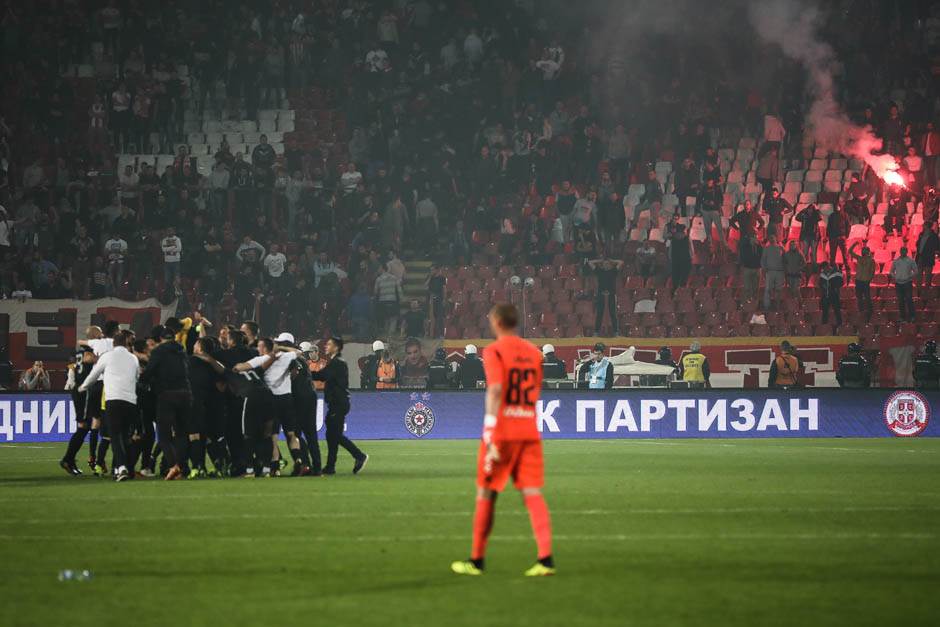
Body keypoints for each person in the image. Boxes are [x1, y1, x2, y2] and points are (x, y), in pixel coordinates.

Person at [451, 303, 554, 577]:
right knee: (532, 492)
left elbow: (495, 390)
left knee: (486, 492)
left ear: (496, 321)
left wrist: (489, 429)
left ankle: (477, 560)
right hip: (529, 430)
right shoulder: (534, 353)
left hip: (503, 432)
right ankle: (545, 559)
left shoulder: (494, 351)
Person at [77, 330, 139, 482]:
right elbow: (137, 376)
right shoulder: (133, 358)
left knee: (115, 436)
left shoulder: (107, 356)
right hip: (131, 401)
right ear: (126, 343)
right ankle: (122, 469)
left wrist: (83, 387)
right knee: (126, 437)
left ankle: (122, 467)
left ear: (113, 343)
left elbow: (94, 374)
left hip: (113, 400)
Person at [309, 337, 368, 475]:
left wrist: (305, 373)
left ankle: (359, 455)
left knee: (334, 434)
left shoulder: (337, 363)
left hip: (338, 403)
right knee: (332, 434)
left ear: (336, 347)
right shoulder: (336, 362)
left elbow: (322, 375)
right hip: (338, 403)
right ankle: (331, 466)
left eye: (329, 344)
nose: (326, 346)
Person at [140, 326, 192, 481]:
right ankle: (182, 468)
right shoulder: (181, 350)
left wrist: (142, 380)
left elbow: (149, 372)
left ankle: (173, 465)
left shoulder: (158, 351)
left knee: (164, 434)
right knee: (182, 433)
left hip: (167, 394)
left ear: (160, 338)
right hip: (186, 393)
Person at [60, 346, 96, 475]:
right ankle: (67, 459)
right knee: (83, 427)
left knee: (85, 427)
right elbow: (90, 360)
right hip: (83, 391)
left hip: (79, 390)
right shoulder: (89, 354)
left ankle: (69, 459)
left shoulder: (78, 355)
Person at [586, 253, 623, 336]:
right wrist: (601, 260)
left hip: (611, 295)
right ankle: (596, 332)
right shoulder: (599, 271)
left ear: (610, 265)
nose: (606, 265)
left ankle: (615, 332)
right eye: (604, 264)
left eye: (607, 264)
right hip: (601, 295)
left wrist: (611, 260)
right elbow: (590, 262)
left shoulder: (613, 271)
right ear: (602, 265)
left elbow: (621, 262)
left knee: (613, 313)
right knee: (599, 313)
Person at [890, 247, 918, 322]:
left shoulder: (911, 261)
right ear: (900, 251)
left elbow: (916, 271)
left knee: (909, 300)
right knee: (900, 301)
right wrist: (895, 277)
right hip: (898, 283)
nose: (903, 252)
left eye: (904, 251)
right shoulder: (896, 261)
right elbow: (891, 271)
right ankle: (902, 317)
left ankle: (912, 316)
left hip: (907, 283)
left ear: (906, 252)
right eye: (902, 251)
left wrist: (909, 276)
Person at [849, 242, 875, 320]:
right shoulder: (859, 258)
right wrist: (854, 244)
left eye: (864, 251)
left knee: (867, 297)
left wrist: (869, 279)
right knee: (859, 297)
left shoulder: (871, 260)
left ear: (868, 252)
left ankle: (869, 312)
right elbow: (850, 252)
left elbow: (872, 271)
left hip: (865, 281)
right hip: (858, 281)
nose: (863, 252)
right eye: (862, 250)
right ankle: (861, 311)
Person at [761, 235, 785, 310]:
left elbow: (786, 258)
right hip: (770, 271)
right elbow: (763, 260)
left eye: (773, 238)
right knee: (768, 290)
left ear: (776, 239)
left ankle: (777, 306)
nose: (771, 239)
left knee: (778, 290)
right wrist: (764, 269)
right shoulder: (766, 249)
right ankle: (767, 306)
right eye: (770, 238)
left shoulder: (781, 248)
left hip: (779, 272)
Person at [819, 261, 843, 327]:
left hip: (834, 294)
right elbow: (820, 283)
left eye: (825, 268)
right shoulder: (822, 274)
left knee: (837, 311)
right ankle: (824, 327)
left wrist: (833, 285)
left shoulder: (837, 272)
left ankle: (840, 326)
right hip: (825, 295)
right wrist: (823, 285)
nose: (824, 269)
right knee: (825, 312)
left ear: (828, 266)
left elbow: (841, 282)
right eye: (823, 268)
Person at [915, 221, 939, 289]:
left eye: (924, 226)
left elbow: (937, 246)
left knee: (927, 277)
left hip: (928, 258)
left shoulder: (934, 236)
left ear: (927, 227)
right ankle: (918, 293)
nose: (923, 227)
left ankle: (926, 293)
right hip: (920, 257)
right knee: (918, 277)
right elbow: (917, 244)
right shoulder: (921, 234)